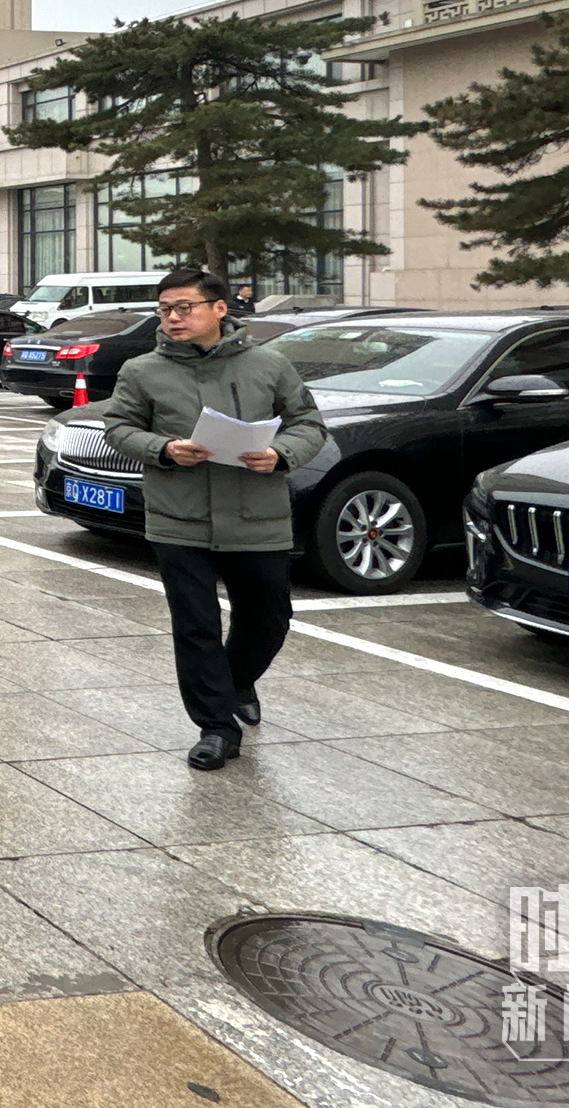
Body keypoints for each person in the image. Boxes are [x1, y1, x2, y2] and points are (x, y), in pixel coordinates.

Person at [95, 266, 327, 771]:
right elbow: (117, 428)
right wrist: (164, 448)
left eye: (184, 308)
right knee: (195, 626)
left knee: (269, 618)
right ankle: (216, 726)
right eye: (164, 310)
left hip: (256, 514)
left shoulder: (268, 364)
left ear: (219, 308)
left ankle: (237, 679)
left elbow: (308, 423)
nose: (173, 318)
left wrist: (282, 453)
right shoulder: (142, 370)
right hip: (180, 518)